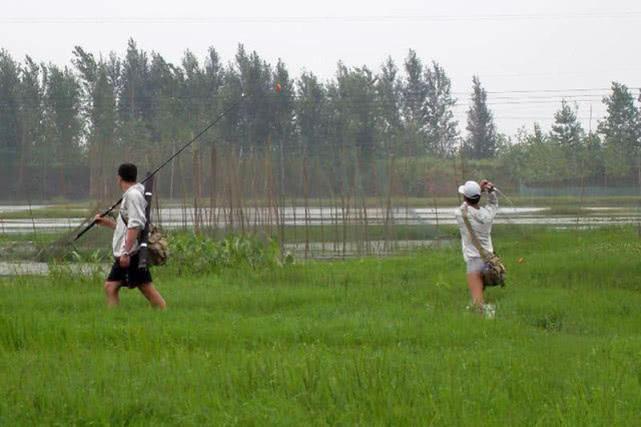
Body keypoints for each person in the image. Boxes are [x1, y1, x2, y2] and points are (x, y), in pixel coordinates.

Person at [95, 163, 166, 309]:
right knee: (112, 287)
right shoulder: (133, 194)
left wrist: (125, 252)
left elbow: (135, 225)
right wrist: (105, 222)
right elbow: (126, 227)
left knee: (137, 288)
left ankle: (163, 313)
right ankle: (115, 319)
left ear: (119, 178)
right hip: (129, 251)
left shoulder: (133, 195)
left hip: (131, 252)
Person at [454, 179, 498, 316]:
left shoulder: (461, 214)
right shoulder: (487, 215)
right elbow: (493, 203)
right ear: (478, 197)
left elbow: (464, 206)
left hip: (473, 262)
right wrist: (489, 191)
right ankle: (482, 317)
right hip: (489, 260)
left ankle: (488, 320)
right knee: (478, 297)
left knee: (478, 302)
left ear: (465, 197)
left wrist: (478, 189)